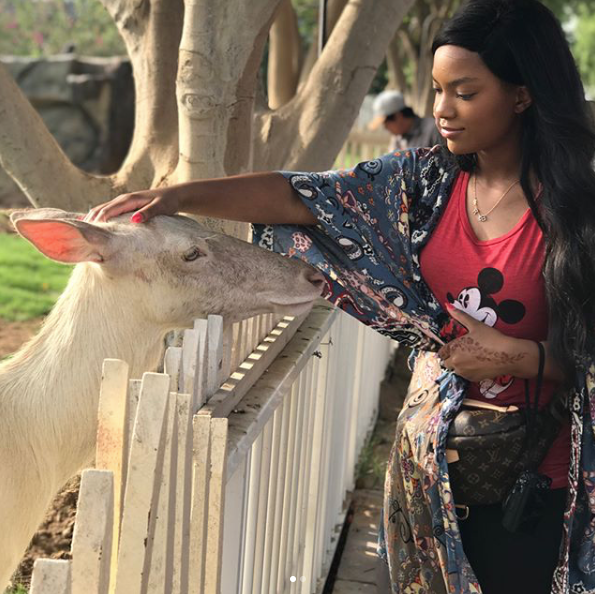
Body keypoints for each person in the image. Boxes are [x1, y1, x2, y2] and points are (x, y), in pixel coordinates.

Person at [85, 1, 595, 592]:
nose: (441, 109)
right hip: (436, 471)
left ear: (522, 95)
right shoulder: (426, 183)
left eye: (465, 92)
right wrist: (176, 197)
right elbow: (303, 197)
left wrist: (519, 357)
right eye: (437, 90)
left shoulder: (578, 208)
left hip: (544, 480)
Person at [369, 89, 441, 150]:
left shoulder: (433, 130)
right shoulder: (398, 137)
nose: (385, 127)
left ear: (398, 116)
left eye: (385, 123)